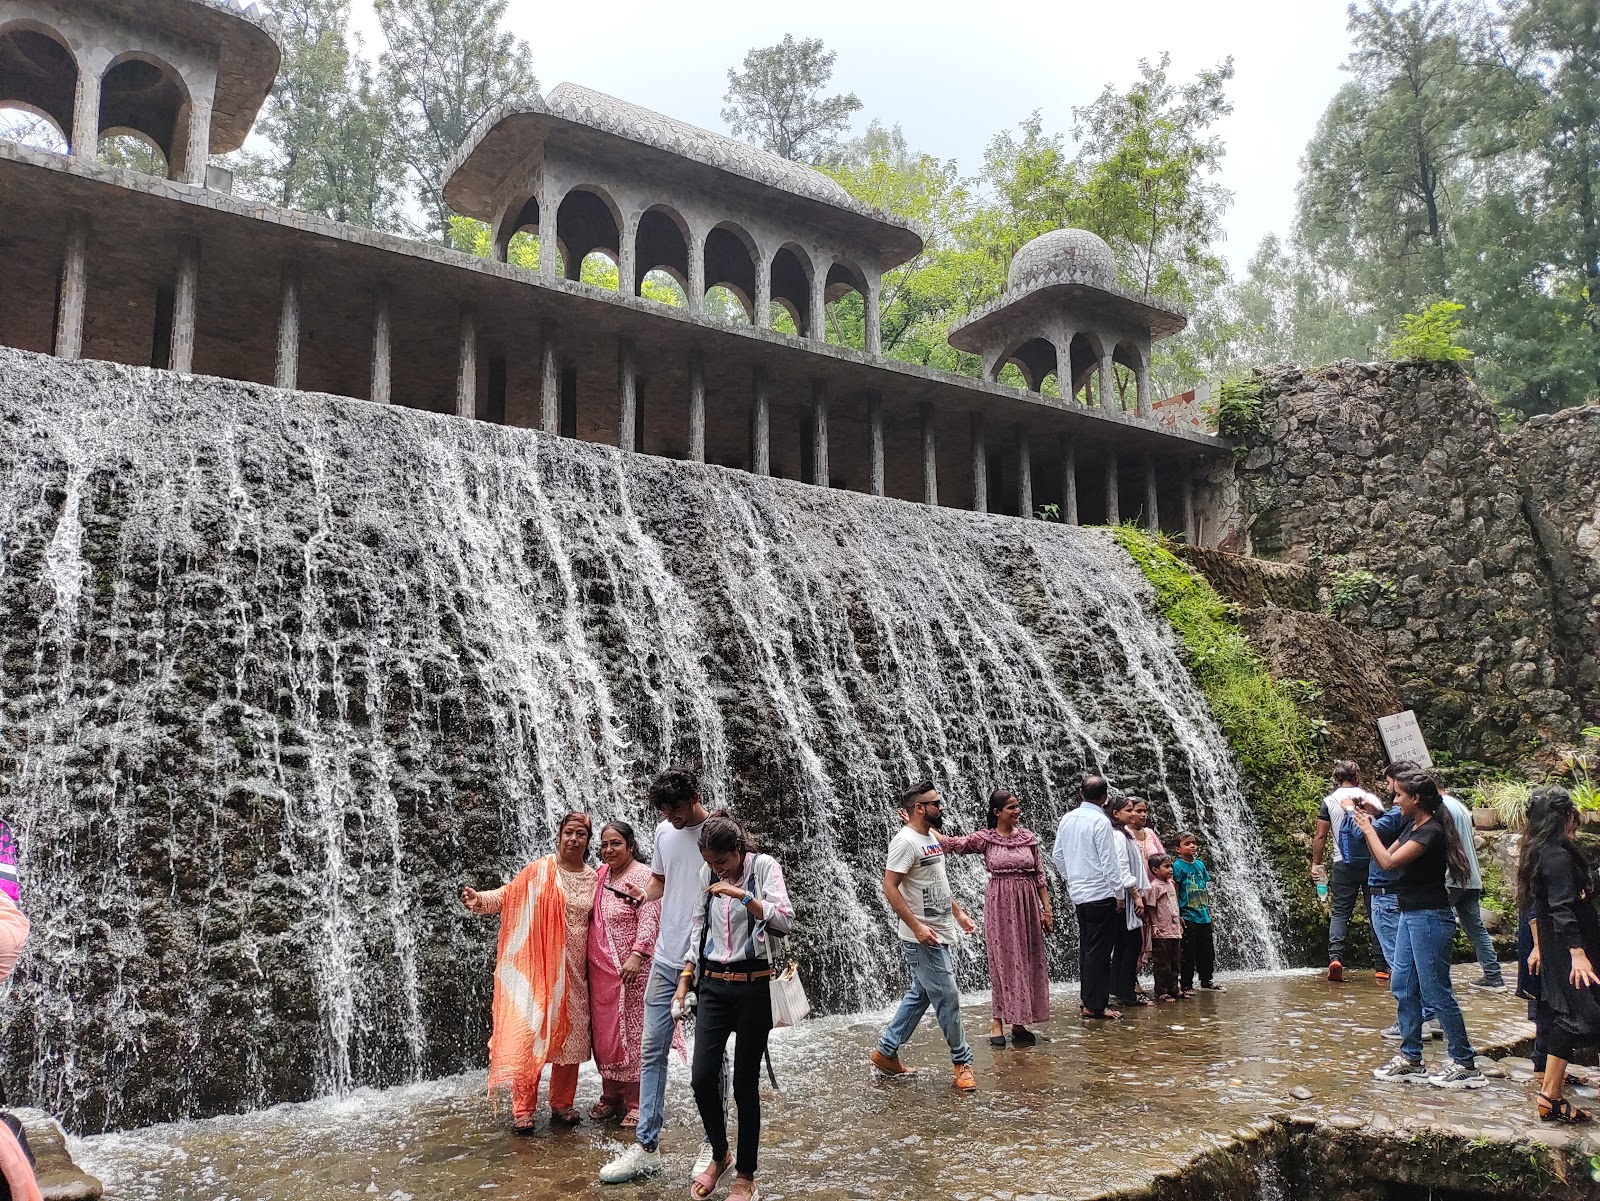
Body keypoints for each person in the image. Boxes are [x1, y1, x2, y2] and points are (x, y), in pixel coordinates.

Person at [600, 767, 716, 1184]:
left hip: (709, 959)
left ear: (694, 797)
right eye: (665, 811)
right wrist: (642, 894)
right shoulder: (665, 831)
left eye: (677, 809)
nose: (672, 818)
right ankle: (646, 1146)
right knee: (652, 1051)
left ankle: (714, 1143)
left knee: (711, 1057)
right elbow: (661, 882)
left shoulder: (718, 832)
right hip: (666, 959)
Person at [675, 814, 795, 1201]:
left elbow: (785, 920)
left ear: (738, 850)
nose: (717, 869)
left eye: (722, 861)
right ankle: (719, 1154)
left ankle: (746, 1175)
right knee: (701, 1077)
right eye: (711, 863)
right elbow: (698, 926)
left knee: (744, 1084)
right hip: (713, 984)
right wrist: (686, 977)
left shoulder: (764, 867)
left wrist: (742, 895)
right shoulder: (706, 874)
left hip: (753, 985)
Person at [462, 811, 598, 1132]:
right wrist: (479, 900)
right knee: (531, 1033)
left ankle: (562, 1103)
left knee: (571, 1039)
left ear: (588, 841)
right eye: (568, 832)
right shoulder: (540, 870)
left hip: (576, 971)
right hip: (538, 970)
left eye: (580, 834)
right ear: (559, 835)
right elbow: (508, 895)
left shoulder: (594, 878)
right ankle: (523, 1108)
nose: (573, 839)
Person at [1354, 770, 1486, 1089]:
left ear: (1415, 799)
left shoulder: (1431, 832)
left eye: (1399, 795)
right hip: (1410, 915)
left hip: (1430, 918)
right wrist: (1373, 823)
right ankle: (1411, 1059)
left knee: (1436, 991)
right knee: (1402, 985)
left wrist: (1367, 828)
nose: (1394, 800)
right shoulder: (1412, 826)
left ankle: (1465, 1063)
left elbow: (1388, 863)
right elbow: (1387, 854)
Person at [872, 781, 979, 1091]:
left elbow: (935, 880)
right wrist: (917, 927)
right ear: (919, 808)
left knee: (921, 993)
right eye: (935, 803)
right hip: (922, 937)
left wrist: (958, 913)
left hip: (940, 929)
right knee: (948, 996)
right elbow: (889, 886)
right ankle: (962, 1062)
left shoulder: (929, 835)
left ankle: (886, 1051)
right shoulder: (904, 842)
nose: (941, 807)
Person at [937, 788, 1053, 1047]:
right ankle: (997, 1020)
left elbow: (1040, 876)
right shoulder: (986, 839)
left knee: (1027, 958)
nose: (1017, 811)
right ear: (997, 812)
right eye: (1011, 807)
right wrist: (921, 825)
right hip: (1000, 903)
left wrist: (1047, 910)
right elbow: (952, 844)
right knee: (1003, 960)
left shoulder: (1028, 838)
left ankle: (1020, 1021)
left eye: (1018, 806)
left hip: (1028, 905)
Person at [1518, 786, 1600, 1123]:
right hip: (1570, 949)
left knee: (1577, 1013)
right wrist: (1577, 955)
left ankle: (1550, 1095)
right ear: (1565, 816)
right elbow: (1561, 908)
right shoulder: (1555, 855)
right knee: (1582, 1016)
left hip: (1570, 946)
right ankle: (1549, 1095)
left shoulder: (1545, 851)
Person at [589, 820, 662, 1128]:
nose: (609, 849)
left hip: (634, 971)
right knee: (607, 1035)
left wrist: (637, 954)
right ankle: (611, 1095)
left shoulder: (643, 875)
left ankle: (636, 1101)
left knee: (633, 1035)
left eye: (616, 843)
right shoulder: (600, 875)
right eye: (604, 845)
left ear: (631, 846)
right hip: (602, 973)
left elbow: (651, 916)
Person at [1052, 775, 1140, 1020]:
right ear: (1105, 798)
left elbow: (1057, 855)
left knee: (1087, 949)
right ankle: (1095, 1005)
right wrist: (1119, 893)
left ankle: (1086, 999)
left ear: (1081, 793)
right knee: (1100, 952)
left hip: (1079, 894)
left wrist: (1072, 878)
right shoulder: (1101, 821)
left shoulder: (1067, 818)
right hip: (1102, 893)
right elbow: (1109, 862)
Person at [1311, 760, 1387, 983]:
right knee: (1375, 913)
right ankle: (1381, 966)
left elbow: (1320, 836)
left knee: (1341, 913)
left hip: (1342, 863)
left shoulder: (1329, 801)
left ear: (1336, 778)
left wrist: (1316, 863)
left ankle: (1335, 959)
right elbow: (1385, 827)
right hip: (1372, 863)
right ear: (1357, 777)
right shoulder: (1370, 799)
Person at [1440, 788, 1505, 990]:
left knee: (1439, 927)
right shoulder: (1459, 806)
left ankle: (1438, 978)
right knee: (1476, 929)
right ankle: (1493, 976)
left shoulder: (1440, 806)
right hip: (1470, 877)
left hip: (1451, 878)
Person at [1108, 797, 1151, 1009]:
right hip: (1125, 898)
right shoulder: (1117, 836)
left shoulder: (1123, 833)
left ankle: (1118, 988)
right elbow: (1122, 868)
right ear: (1116, 814)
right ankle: (1126, 992)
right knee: (1131, 944)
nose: (1133, 814)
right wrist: (1135, 896)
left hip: (1125, 896)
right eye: (1129, 810)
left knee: (1124, 944)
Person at [1172, 833, 1224, 993]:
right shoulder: (1177, 866)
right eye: (1187, 843)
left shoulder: (1200, 865)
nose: (1192, 846)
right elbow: (1175, 889)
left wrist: (1209, 910)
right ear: (1178, 849)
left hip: (1203, 915)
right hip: (1188, 915)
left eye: (1194, 843)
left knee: (1207, 951)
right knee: (1188, 951)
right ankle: (1186, 983)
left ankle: (1206, 980)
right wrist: (1177, 913)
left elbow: (1205, 888)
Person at [1146, 855, 1184, 1001]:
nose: (1171, 869)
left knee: (1175, 961)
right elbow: (1151, 907)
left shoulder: (1171, 884)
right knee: (1162, 963)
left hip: (1174, 930)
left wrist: (1179, 918)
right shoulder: (1155, 886)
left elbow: (1174, 903)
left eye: (1171, 866)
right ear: (1155, 870)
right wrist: (1154, 924)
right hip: (1161, 931)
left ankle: (1174, 988)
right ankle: (1161, 991)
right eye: (1166, 867)